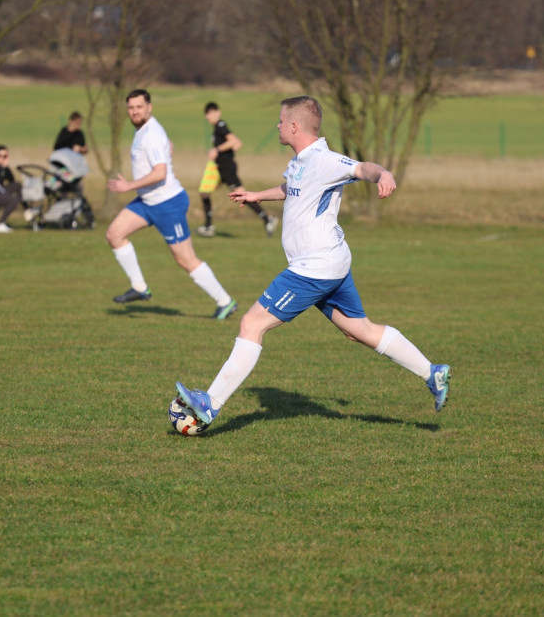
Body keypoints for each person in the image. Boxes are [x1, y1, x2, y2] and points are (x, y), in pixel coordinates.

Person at [176, 96, 450, 427]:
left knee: (252, 323)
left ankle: (211, 402)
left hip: (313, 268)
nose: (276, 125)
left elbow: (363, 168)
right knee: (358, 330)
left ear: (294, 126)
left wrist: (384, 174)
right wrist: (256, 196)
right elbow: (293, 188)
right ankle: (431, 372)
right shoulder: (300, 162)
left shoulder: (324, 159)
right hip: (332, 263)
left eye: (280, 120)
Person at [106, 89, 237, 320]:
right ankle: (139, 288)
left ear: (149, 107)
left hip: (167, 204)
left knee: (185, 260)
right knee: (114, 234)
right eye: (131, 107)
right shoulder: (145, 130)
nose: (135, 111)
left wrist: (129, 186)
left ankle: (225, 301)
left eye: (139, 106)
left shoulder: (151, 134)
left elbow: (160, 173)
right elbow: (170, 147)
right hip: (148, 201)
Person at [196, 101, 278, 238]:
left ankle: (267, 219)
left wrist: (217, 149)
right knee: (204, 192)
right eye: (206, 114)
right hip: (219, 168)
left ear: (217, 112)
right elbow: (237, 143)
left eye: (209, 114)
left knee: (241, 194)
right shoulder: (217, 128)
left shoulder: (221, 126)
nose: (207, 117)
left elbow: (234, 141)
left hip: (227, 167)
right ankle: (208, 226)